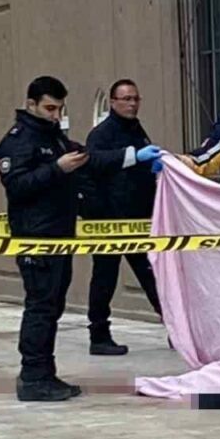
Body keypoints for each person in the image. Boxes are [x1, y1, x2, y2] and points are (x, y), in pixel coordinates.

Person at [0, 75, 163, 402]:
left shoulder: (55, 137)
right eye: (50, 108)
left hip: (61, 236)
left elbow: (93, 159)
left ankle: (44, 373)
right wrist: (57, 169)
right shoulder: (18, 141)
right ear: (31, 105)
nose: (56, 115)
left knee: (52, 306)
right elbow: (17, 186)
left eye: (60, 109)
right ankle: (33, 376)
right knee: (41, 307)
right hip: (37, 238)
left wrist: (135, 156)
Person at [78, 79, 162, 356]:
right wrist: (134, 156)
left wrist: (153, 168)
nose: (132, 104)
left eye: (135, 99)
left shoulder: (136, 130)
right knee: (105, 277)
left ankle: (176, 327)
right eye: (126, 99)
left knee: (152, 275)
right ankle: (99, 335)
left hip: (138, 218)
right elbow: (95, 162)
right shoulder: (101, 134)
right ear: (113, 102)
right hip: (109, 220)